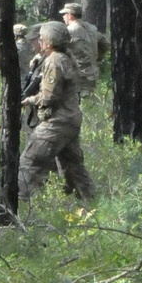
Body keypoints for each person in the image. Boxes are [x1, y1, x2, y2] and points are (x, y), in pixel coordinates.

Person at [18, 21, 95, 200]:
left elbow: (49, 96)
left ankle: (20, 204)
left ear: (49, 42)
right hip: (70, 119)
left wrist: (29, 100)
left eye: (42, 38)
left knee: (29, 162)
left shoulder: (54, 61)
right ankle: (90, 203)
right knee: (73, 168)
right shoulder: (65, 57)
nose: (40, 41)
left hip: (57, 122)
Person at [59, 3, 110, 96]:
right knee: (89, 103)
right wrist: (97, 59)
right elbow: (105, 43)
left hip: (79, 74)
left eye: (65, 14)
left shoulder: (69, 31)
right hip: (92, 72)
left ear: (70, 15)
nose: (63, 16)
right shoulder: (92, 28)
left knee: (77, 103)